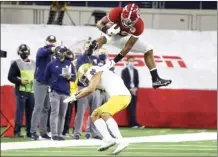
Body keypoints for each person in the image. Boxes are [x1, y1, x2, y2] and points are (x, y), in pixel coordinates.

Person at [88, 3, 172, 89]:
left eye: (130, 21)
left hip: (125, 38)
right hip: (111, 34)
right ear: (122, 14)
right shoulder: (116, 12)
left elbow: (128, 47)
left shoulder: (139, 26)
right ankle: (92, 48)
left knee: (148, 49)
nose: (126, 23)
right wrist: (106, 31)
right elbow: (99, 23)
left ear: (137, 18)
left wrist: (113, 62)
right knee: (105, 37)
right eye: (124, 19)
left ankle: (155, 79)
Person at [64, 65, 131, 155]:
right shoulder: (102, 74)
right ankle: (109, 139)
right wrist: (75, 95)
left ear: (86, 72)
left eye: (84, 78)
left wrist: (75, 98)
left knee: (105, 114)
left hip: (121, 96)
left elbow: (90, 89)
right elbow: (89, 88)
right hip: (121, 96)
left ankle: (121, 141)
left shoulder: (94, 70)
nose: (85, 81)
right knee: (94, 115)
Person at [44, 46, 76, 140]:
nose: (63, 53)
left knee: (62, 114)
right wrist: (52, 85)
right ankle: (54, 134)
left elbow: (74, 78)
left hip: (65, 91)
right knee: (55, 112)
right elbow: (46, 77)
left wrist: (69, 78)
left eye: (64, 51)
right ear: (57, 52)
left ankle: (59, 133)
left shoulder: (69, 63)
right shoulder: (51, 64)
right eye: (61, 51)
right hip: (55, 91)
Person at [73, 38, 101, 140]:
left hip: (94, 88)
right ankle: (77, 132)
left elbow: (98, 73)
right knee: (81, 111)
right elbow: (80, 74)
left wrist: (95, 84)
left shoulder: (96, 59)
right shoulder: (80, 59)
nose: (88, 49)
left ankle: (92, 132)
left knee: (95, 111)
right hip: (83, 87)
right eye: (87, 47)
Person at [30, 35, 56, 140]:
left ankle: (43, 132)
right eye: (50, 41)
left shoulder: (53, 55)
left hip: (48, 84)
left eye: (53, 41)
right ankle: (32, 131)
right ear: (46, 42)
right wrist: (53, 48)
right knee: (38, 107)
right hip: (40, 82)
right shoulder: (41, 50)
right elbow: (45, 52)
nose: (51, 43)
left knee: (46, 108)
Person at [8, 44, 35, 137]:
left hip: (31, 91)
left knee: (30, 112)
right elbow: (10, 77)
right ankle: (17, 131)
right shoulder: (16, 63)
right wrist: (20, 81)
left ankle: (29, 131)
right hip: (21, 90)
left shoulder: (33, 63)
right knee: (20, 111)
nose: (24, 53)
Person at [121, 56, 144, 128]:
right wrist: (130, 89)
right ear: (127, 62)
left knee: (134, 108)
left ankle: (134, 123)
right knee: (130, 108)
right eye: (130, 61)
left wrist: (135, 88)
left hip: (135, 91)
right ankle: (133, 123)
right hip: (127, 91)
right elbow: (124, 82)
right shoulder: (124, 71)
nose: (131, 63)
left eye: (133, 61)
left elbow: (137, 81)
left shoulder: (135, 71)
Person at [62, 48, 78, 137]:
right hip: (66, 92)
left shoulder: (74, 66)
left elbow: (75, 80)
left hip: (73, 92)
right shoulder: (66, 65)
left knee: (68, 114)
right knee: (63, 113)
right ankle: (61, 131)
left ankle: (66, 131)